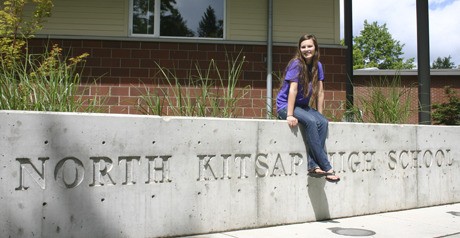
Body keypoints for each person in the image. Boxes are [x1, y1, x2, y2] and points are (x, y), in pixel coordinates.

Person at [276, 34, 340, 183]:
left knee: (322, 122)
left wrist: (320, 115)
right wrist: (290, 115)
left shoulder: (318, 66)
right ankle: (327, 167)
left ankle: (313, 165)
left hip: (302, 106)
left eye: (309, 46)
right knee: (311, 122)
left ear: (315, 47)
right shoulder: (296, 64)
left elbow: (320, 93)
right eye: (303, 47)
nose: (306, 49)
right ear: (299, 49)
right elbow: (292, 90)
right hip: (285, 106)